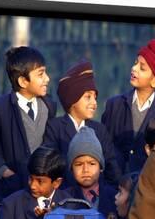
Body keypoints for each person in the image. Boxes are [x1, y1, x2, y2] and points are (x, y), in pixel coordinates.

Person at [0, 46, 56, 211]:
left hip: (42, 198)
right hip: (9, 196)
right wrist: (5, 173)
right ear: (23, 81)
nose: (47, 79)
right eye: (40, 74)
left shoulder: (50, 106)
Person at [102, 39, 155, 174]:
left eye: (142, 68)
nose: (134, 68)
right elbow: (105, 146)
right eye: (135, 63)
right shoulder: (114, 106)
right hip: (113, 185)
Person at [43, 59, 120, 187]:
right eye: (88, 97)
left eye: (95, 97)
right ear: (72, 100)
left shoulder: (99, 130)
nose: (94, 103)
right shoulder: (55, 128)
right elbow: (51, 165)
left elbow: (111, 166)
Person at [66, 126, 118, 219]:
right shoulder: (64, 199)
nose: (85, 170)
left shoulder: (115, 198)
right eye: (78, 164)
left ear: (101, 167)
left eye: (91, 163)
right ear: (71, 168)